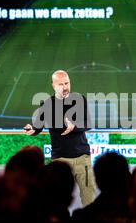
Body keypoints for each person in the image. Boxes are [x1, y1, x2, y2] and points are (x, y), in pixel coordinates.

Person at [24, 70, 96, 206]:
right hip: (59, 160)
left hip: (82, 159)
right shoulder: (46, 104)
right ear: (53, 86)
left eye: (67, 83)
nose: (65, 87)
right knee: (56, 202)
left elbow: (88, 123)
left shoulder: (80, 100)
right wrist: (32, 129)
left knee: (89, 200)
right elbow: (38, 126)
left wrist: (73, 127)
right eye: (61, 84)